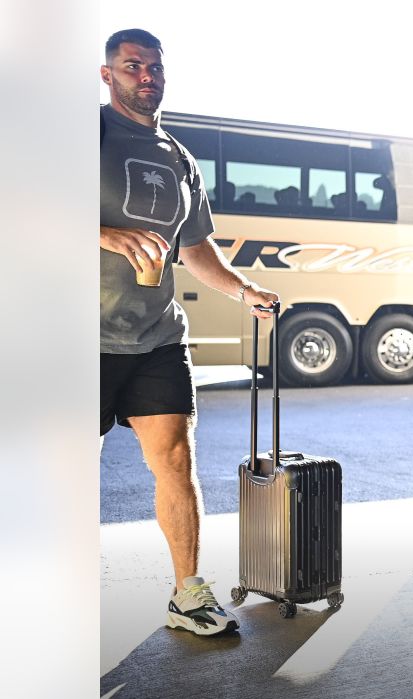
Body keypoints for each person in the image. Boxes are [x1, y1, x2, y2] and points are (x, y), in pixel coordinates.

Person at [99, 29, 279, 636]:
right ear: (107, 75)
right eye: (131, 66)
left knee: (175, 459)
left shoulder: (178, 157)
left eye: (154, 67)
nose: (146, 76)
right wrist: (105, 235)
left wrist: (243, 290)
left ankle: (187, 594)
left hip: (155, 336)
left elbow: (196, 248)